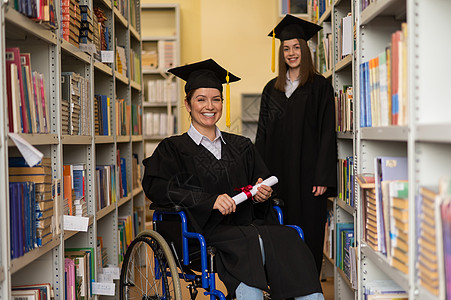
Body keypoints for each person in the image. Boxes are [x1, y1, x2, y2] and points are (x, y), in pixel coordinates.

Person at [142, 58, 324, 300]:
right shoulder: (173, 148)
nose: (210, 106)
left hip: (248, 227)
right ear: (187, 104)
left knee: (289, 236)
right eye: (201, 99)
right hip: (204, 233)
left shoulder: (241, 146)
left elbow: (261, 183)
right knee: (248, 243)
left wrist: (262, 195)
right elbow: (156, 187)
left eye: (216, 99)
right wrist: (210, 201)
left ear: (222, 103)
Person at [255, 15, 338, 275]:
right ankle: (282, 288)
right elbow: (262, 134)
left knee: (309, 232)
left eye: (296, 47)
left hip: (309, 178)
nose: (291, 53)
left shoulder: (320, 87)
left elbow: (327, 133)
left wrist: (322, 176)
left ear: (306, 49)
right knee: (279, 231)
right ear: (281, 53)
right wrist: (260, 175)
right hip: (277, 176)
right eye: (286, 48)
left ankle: (309, 285)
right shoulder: (272, 90)